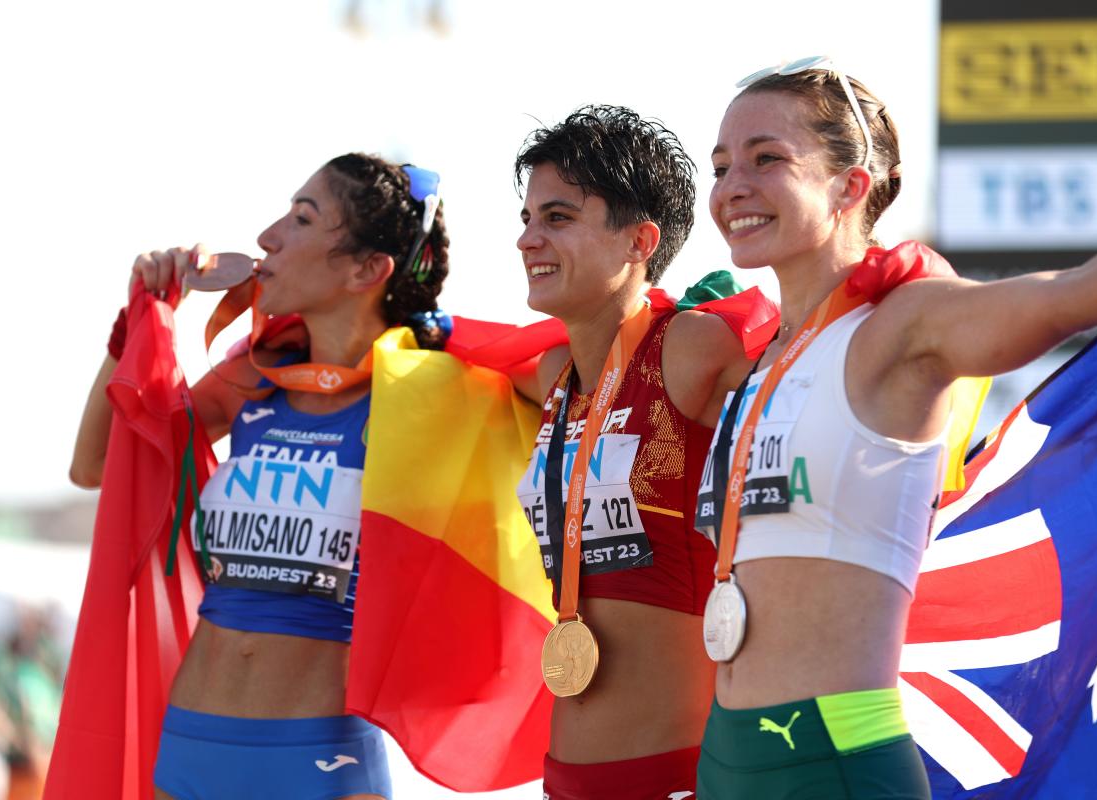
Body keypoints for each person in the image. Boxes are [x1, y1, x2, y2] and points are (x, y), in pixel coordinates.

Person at [694, 57, 1097, 799]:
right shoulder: (759, 361)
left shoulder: (904, 327)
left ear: (849, 185)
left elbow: (1068, 296)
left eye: (768, 160)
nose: (733, 187)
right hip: (726, 754)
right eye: (722, 165)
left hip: (837, 757)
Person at [69, 153, 449, 800]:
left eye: (302, 218)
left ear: (368, 269)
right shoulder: (256, 379)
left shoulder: (426, 399)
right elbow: (96, 466)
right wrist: (137, 328)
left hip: (321, 758)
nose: (268, 235)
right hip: (191, 742)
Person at [513, 105, 756, 800]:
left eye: (557, 218)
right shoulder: (553, 379)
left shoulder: (690, 349)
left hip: (681, 778)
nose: (527, 239)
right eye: (527, 219)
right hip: (564, 781)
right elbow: (462, 359)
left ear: (639, 241)